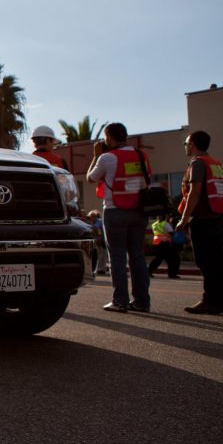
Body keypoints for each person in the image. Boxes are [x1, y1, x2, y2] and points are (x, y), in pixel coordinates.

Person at [86, 123, 151, 313]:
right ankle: (142, 301)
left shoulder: (107, 157)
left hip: (116, 210)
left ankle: (120, 300)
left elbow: (91, 178)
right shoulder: (141, 155)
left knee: (117, 257)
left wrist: (96, 155)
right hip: (139, 211)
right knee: (137, 257)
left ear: (109, 137)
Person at [176, 130, 223, 315]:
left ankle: (210, 300)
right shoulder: (216, 163)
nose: (186, 146)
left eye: (186, 143)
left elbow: (195, 192)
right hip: (217, 217)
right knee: (218, 261)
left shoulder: (198, 164)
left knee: (206, 261)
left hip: (203, 220)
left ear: (193, 144)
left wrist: (184, 218)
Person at [147, 214, 180, 279]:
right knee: (172, 260)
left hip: (156, 244)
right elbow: (171, 233)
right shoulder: (166, 224)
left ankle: (149, 272)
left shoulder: (154, 224)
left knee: (158, 259)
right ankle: (172, 274)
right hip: (164, 244)